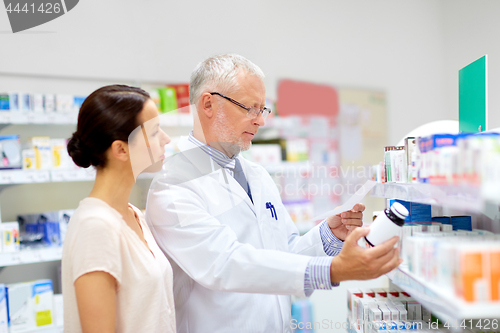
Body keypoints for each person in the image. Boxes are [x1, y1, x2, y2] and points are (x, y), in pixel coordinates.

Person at [146, 54, 401, 333]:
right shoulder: (173, 186)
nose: (260, 121)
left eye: (262, 109)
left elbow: (283, 251)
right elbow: (225, 264)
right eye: (249, 108)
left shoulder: (257, 175)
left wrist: (328, 235)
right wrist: (333, 270)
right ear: (209, 104)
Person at [61, 85, 175, 333]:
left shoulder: (134, 214)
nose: (166, 139)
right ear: (121, 149)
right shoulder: (96, 228)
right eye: (154, 132)